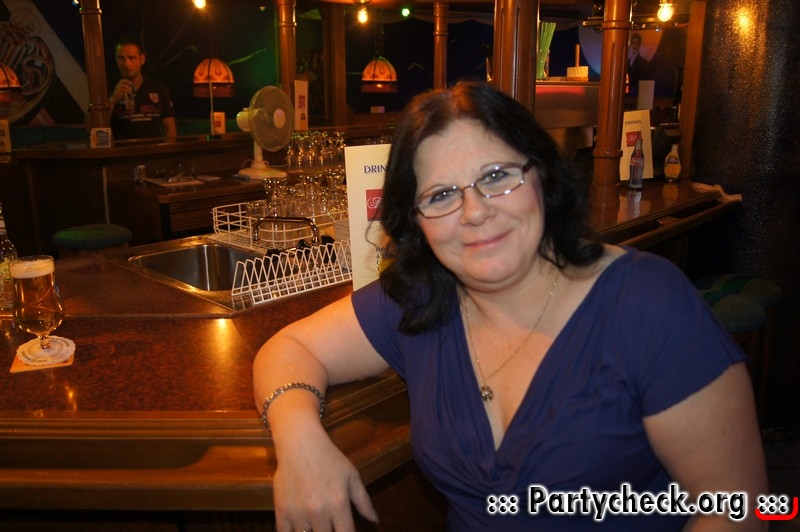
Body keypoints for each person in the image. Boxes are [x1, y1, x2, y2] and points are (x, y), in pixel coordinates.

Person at [252, 81, 767, 531]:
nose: (474, 212)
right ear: (416, 221)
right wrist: (300, 443)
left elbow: (735, 511)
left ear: (542, 174)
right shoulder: (421, 298)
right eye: (441, 195)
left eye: (497, 176)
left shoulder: (647, 302)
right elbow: (290, 347)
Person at [107, 36, 176, 140]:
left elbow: (169, 126)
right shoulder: (106, 88)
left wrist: (170, 148)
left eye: (131, 58)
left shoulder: (157, 88)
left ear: (142, 59)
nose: (126, 64)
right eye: (121, 58)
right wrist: (112, 100)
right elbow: (91, 127)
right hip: (121, 149)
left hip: (152, 148)